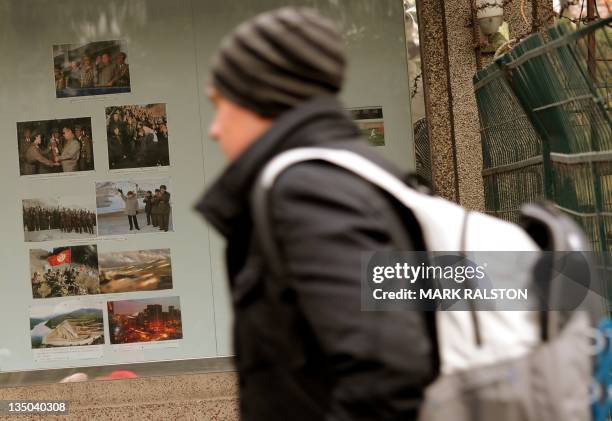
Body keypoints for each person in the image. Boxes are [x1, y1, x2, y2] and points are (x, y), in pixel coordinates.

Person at [195, 8, 436, 420]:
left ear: (261, 96)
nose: (214, 129)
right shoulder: (347, 173)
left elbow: (388, 371)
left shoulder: (309, 191)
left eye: (220, 105)